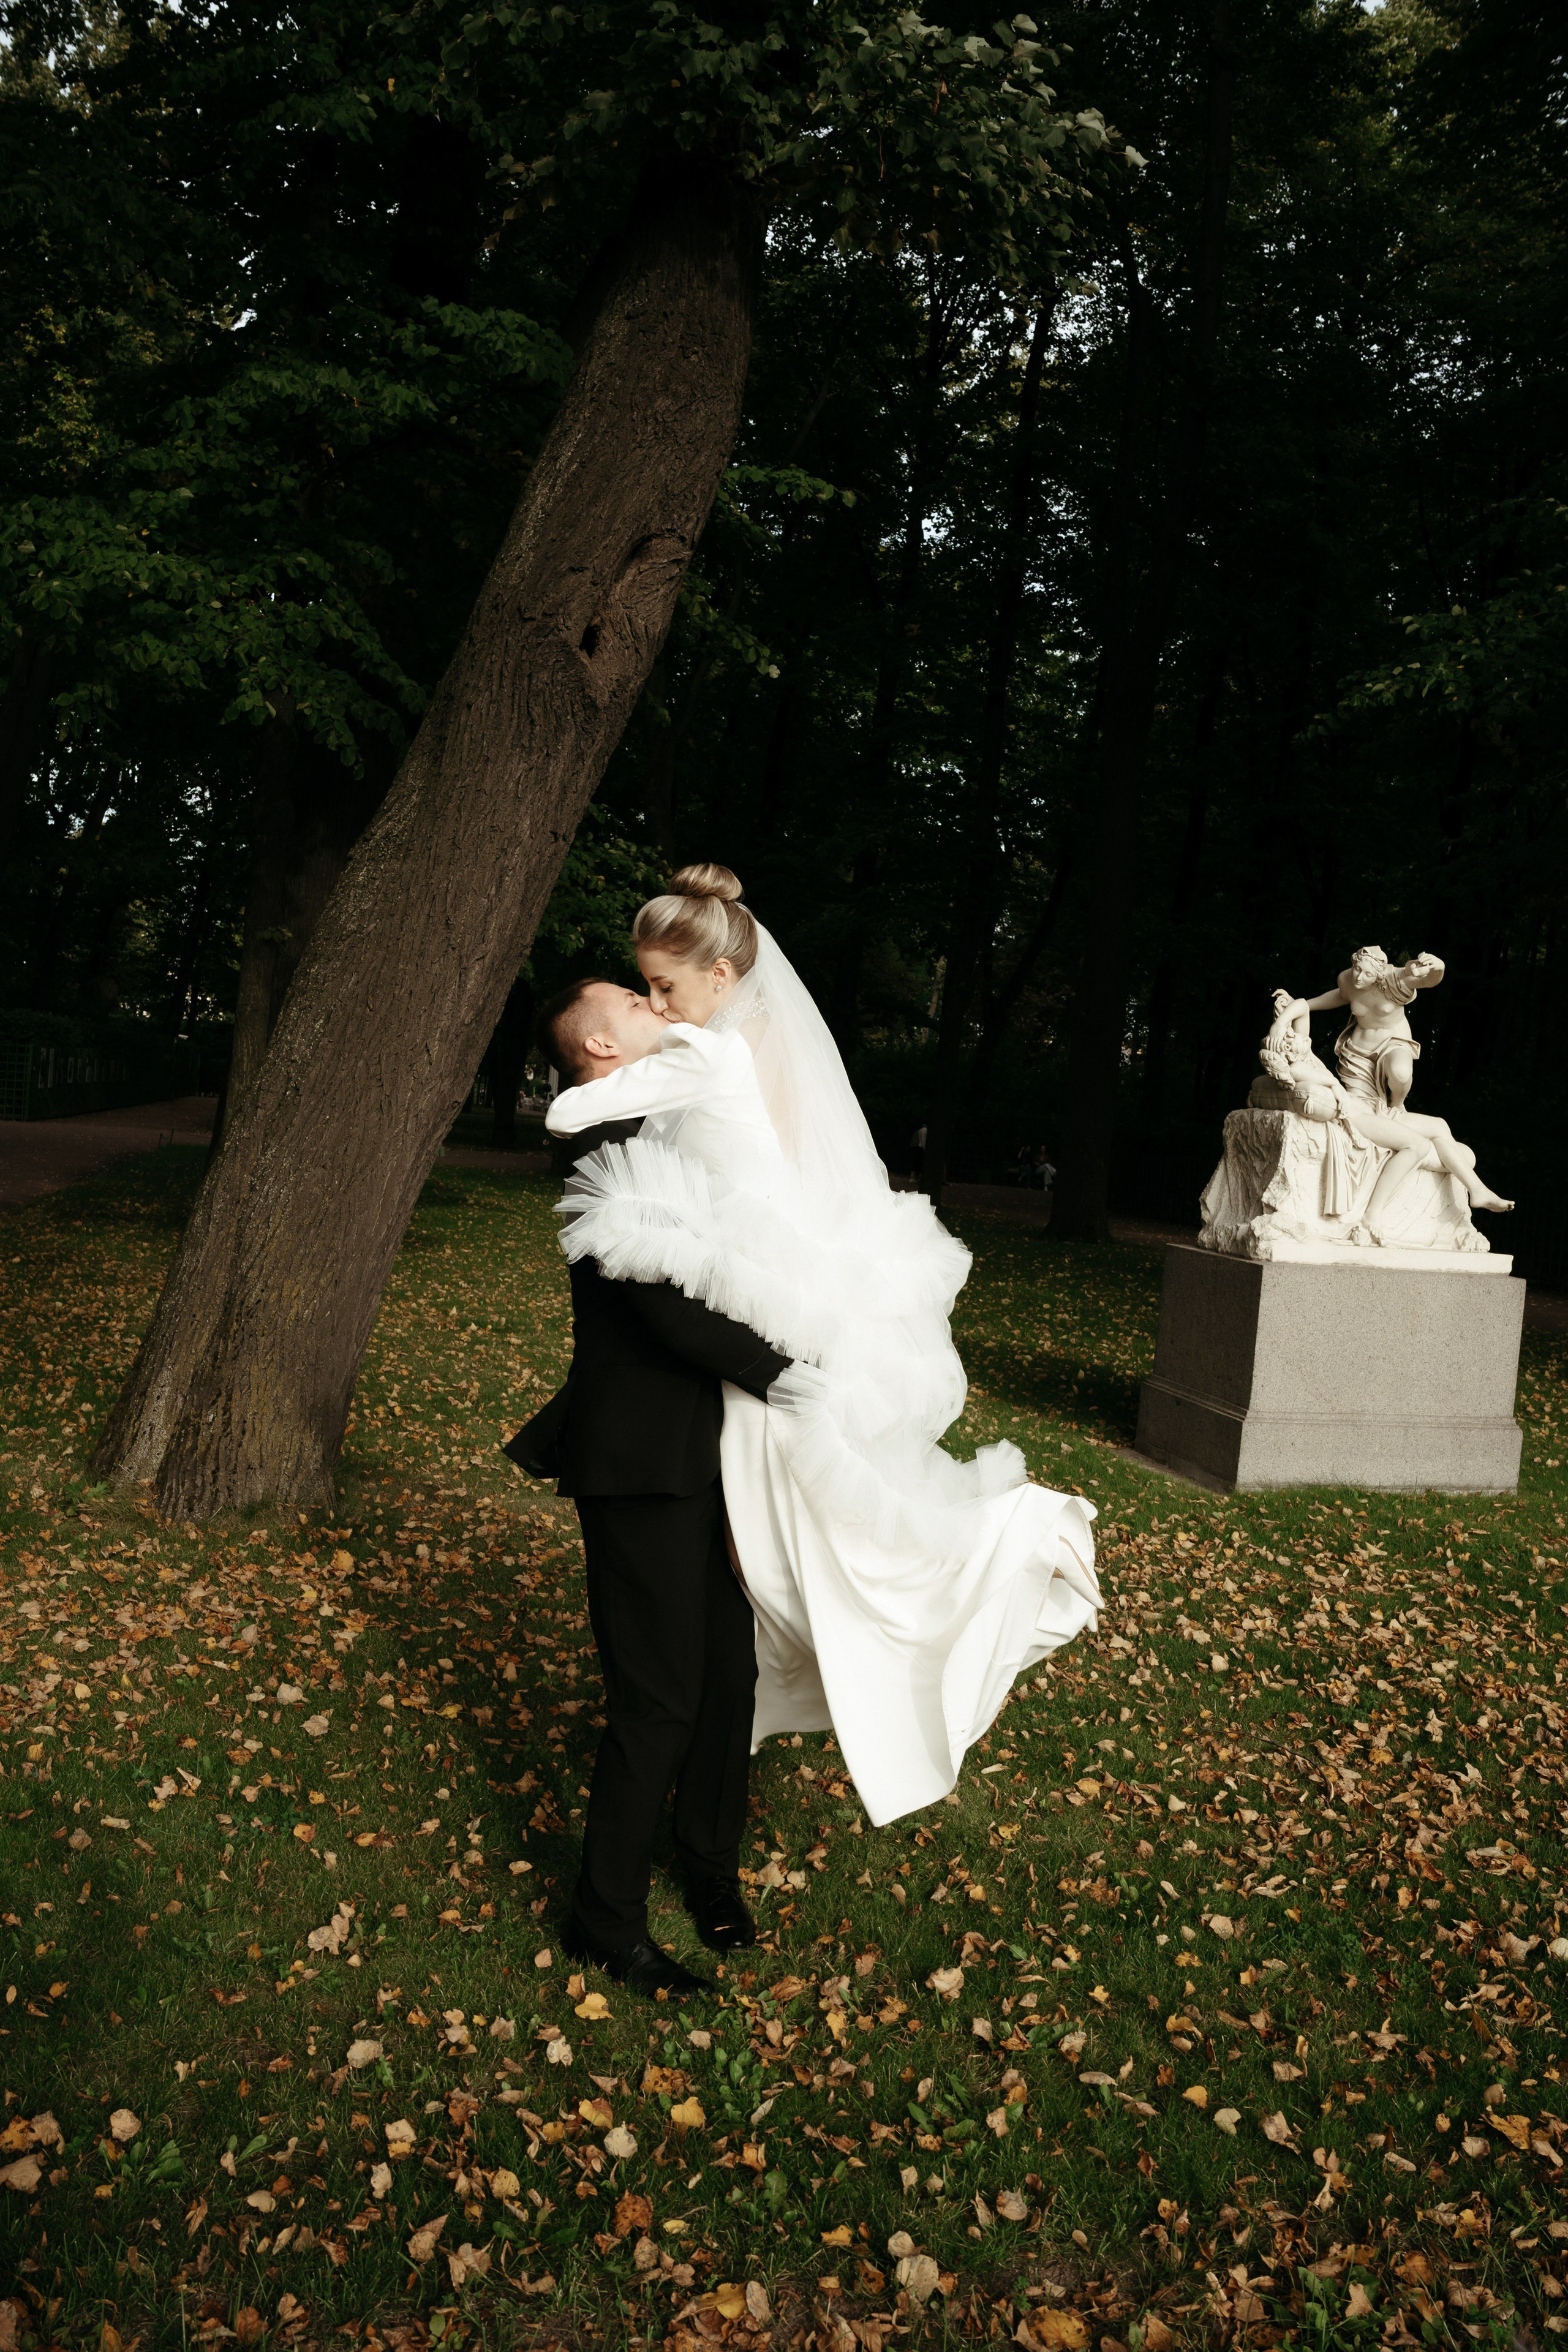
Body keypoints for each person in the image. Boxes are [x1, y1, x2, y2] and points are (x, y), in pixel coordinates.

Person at [545, 865, 1100, 1834]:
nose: (659, 1006)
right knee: (772, 1574)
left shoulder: (718, 1060)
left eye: (664, 989)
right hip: (709, 1364)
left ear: (721, 978)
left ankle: (991, 1556)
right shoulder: (692, 1066)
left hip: (764, 1315)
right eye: (644, 994)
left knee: (813, 1537)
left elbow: (744, 1203)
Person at [505, 976, 791, 1999]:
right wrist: (796, 1371)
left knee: (729, 1675)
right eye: (631, 1001)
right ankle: (605, 1916)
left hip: (709, 1448)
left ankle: (709, 1867)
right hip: (639, 1460)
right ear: (596, 1044)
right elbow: (668, 1310)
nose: (652, 1003)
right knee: (657, 1700)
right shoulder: (591, 1139)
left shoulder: (662, 1124)